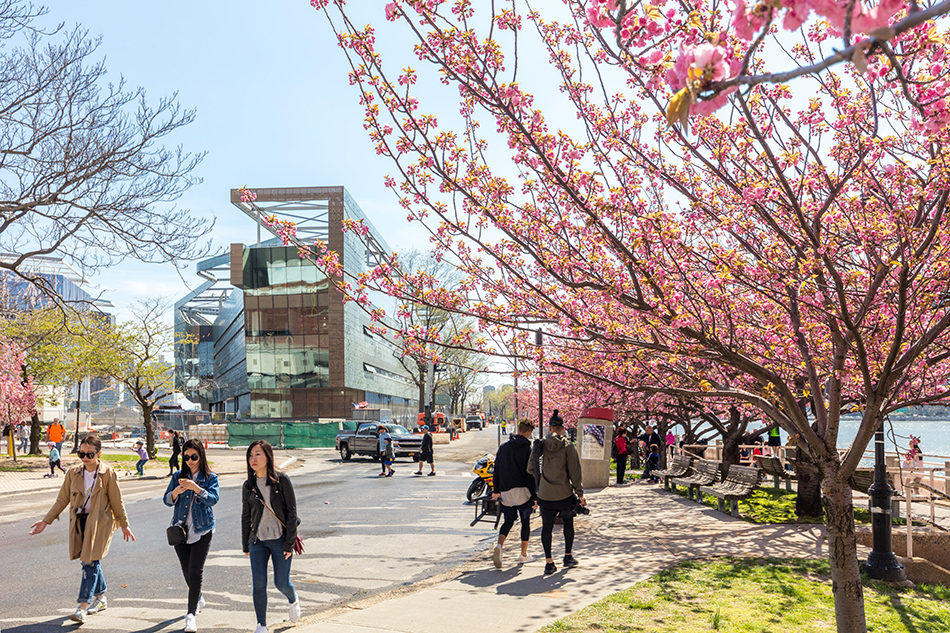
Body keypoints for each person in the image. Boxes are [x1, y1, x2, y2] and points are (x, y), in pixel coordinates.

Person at [29, 434, 135, 624]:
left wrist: (124, 525)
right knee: (91, 561)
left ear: (99, 453)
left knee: (89, 563)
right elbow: (62, 500)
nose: (85, 458)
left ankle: (83, 607)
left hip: (100, 524)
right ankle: (101, 598)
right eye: (82, 453)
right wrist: (46, 521)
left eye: (90, 454)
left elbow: (117, 502)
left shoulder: (108, 473)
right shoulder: (73, 473)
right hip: (79, 522)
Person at [242, 440, 300, 633]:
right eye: (250, 455)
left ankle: (292, 599)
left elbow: (292, 513)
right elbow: (246, 516)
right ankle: (261, 625)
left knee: (281, 583)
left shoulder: (282, 481)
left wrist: (289, 544)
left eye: (258, 454)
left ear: (268, 456)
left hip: (280, 540)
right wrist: (245, 544)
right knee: (259, 585)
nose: (253, 459)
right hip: (257, 542)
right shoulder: (248, 486)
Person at [164, 439, 219, 633]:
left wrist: (196, 488)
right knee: (187, 571)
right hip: (180, 531)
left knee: (196, 571)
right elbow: (166, 500)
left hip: (202, 530)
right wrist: (176, 491)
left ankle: (190, 615)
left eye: (194, 457)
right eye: (186, 457)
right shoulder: (178, 476)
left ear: (201, 456)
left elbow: (213, 499)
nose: (190, 461)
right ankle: (198, 597)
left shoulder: (210, 477)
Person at [527, 410, 586, 575]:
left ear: (549, 427)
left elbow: (530, 468)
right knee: (568, 523)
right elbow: (575, 472)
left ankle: (549, 562)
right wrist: (579, 493)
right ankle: (568, 557)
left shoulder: (540, 445)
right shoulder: (567, 446)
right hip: (564, 494)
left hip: (545, 495)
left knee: (547, 527)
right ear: (562, 428)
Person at [491, 419, 537, 568]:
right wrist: (535, 496)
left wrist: (496, 490)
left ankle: (499, 545)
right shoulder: (528, 451)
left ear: (518, 429)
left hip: (506, 492)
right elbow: (531, 475)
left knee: (508, 521)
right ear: (529, 433)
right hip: (523, 491)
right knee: (525, 522)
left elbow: (496, 471)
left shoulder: (503, 448)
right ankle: (523, 555)